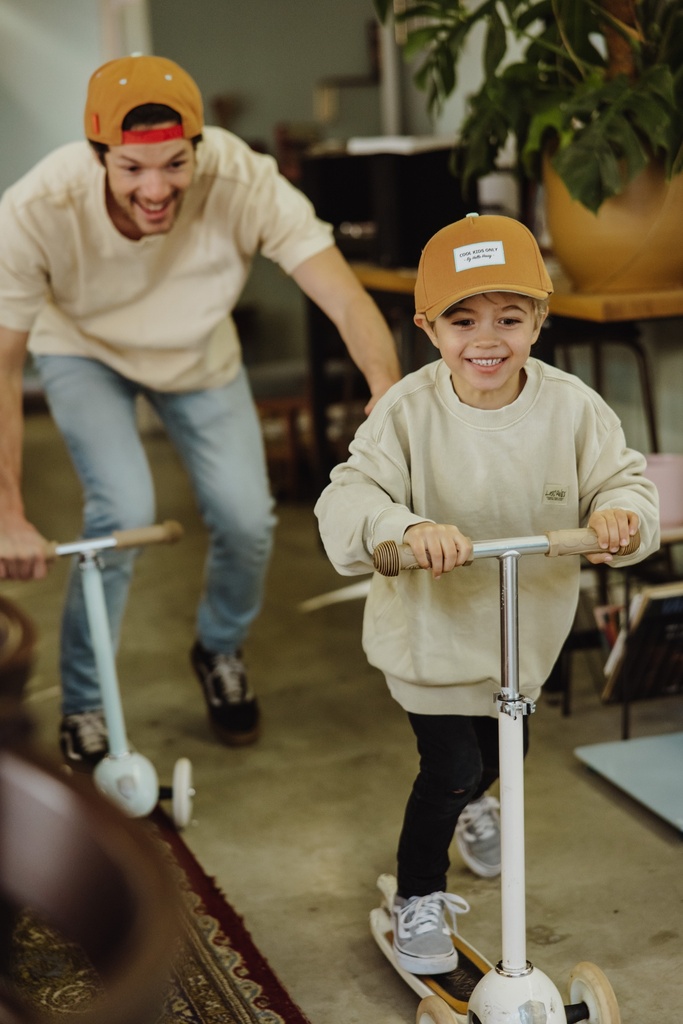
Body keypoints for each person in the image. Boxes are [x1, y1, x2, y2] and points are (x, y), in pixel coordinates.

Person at [0, 54, 401, 769]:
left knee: (248, 520)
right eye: (131, 169)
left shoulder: (243, 178)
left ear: (198, 147)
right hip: (82, 349)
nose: (155, 189)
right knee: (119, 512)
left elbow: (342, 295)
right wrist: (7, 511)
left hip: (198, 353)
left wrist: (383, 388)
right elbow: (1, 365)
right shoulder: (36, 208)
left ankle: (218, 649)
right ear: (99, 157)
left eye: (174, 165)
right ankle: (86, 702)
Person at [315, 213, 659, 975]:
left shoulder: (572, 408)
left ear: (538, 318)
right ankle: (417, 897)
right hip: (430, 636)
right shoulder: (406, 412)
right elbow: (348, 498)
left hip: (522, 636)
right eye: (462, 319)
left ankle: (478, 803)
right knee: (450, 768)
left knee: (508, 748)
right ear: (427, 325)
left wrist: (619, 518)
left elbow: (624, 484)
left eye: (509, 317)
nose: (486, 339)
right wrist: (403, 527)